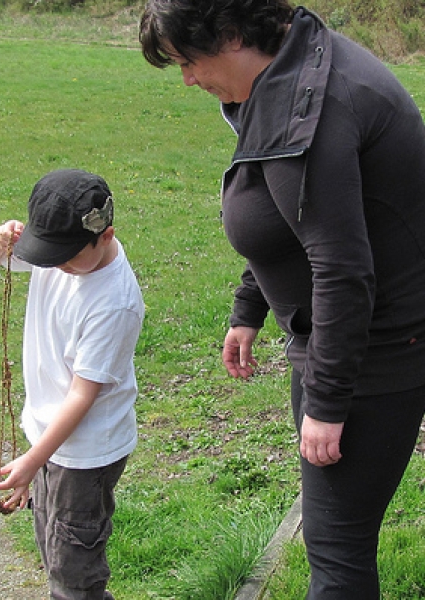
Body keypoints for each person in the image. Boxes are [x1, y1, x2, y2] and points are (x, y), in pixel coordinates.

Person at [139, 1, 425, 598]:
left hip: (375, 352)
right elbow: (283, 213)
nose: (188, 79)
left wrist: (326, 402)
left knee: (337, 554)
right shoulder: (288, 71)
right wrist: (250, 307)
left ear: (234, 33)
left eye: (189, 61)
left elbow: (343, 268)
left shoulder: (314, 107)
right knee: (336, 543)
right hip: (351, 340)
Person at [0, 169, 145, 600]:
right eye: (45, 253)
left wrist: (31, 461)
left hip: (86, 453)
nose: (55, 265)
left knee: (74, 572)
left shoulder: (115, 303)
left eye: (65, 256)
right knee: (53, 546)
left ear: (105, 236)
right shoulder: (59, 249)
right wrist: (1, 236)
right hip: (47, 438)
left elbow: (84, 395)